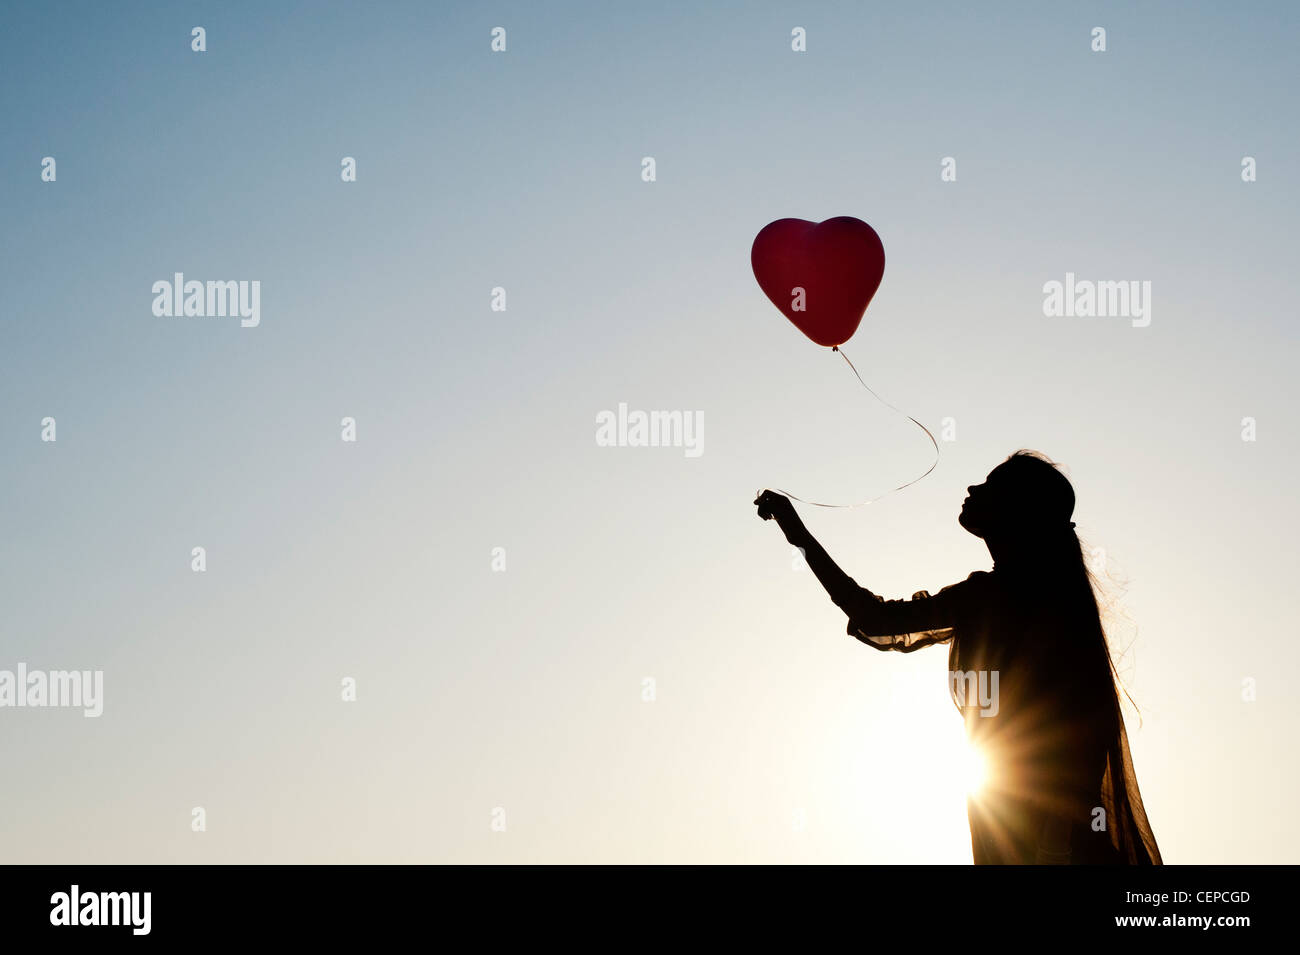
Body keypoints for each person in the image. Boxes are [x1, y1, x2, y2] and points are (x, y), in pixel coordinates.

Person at [754, 450, 1161, 864]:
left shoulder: (1028, 600)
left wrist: (1053, 844)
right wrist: (797, 533)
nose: (972, 489)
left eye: (991, 485)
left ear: (1017, 510)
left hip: (1047, 838)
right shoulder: (990, 596)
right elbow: (876, 620)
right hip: (1015, 823)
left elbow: (1079, 729)